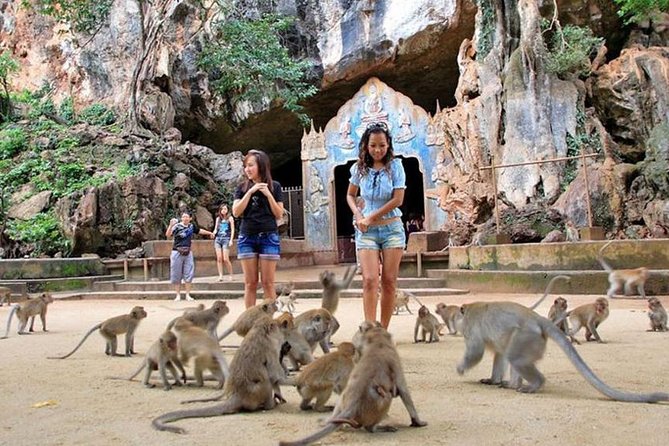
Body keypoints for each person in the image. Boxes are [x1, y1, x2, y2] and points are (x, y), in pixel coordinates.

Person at [346, 122, 406, 329]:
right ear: (366, 146)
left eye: (381, 145)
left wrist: (371, 217)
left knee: (389, 281)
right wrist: (358, 213)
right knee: (370, 279)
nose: (377, 150)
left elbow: (398, 199)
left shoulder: (396, 167)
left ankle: (384, 330)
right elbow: (350, 194)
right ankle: (369, 329)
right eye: (373, 146)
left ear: (388, 144)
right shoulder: (359, 169)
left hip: (392, 229)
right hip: (366, 232)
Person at [232, 149, 284, 308]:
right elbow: (236, 212)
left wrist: (268, 194)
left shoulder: (275, 186)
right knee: (250, 283)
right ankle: (250, 322)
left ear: (260, 166)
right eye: (245, 166)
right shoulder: (241, 188)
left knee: (268, 283)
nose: (247, 169)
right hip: (247, 237)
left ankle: (271, 322)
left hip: (268, 237)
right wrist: (250, 192)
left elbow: (279, 214)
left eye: (250, 165)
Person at [166, 210, 215, 301]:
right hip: (176, 251)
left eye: (187, 217)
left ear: (190, 218)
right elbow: (168, 235)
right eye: (184, 217)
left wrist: (210, 233)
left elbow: (200, 231)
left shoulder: (191, 226)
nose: (185, 218)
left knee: (189, 273)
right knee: (176, 273)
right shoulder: (176, 226)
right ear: (181, 218)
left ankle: (188, 294)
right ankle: (178, 295)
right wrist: (170, 225)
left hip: (188, 252)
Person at [213, 203, 235, 281]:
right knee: (219, 258)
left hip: (226, 239)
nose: (223, 210)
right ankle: (220, 275)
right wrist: (214, 232)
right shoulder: (218, 218)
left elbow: (232, 230)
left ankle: (231, 275)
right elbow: (216, 228)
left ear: (227, 210)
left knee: (226, 258)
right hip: (218, 239)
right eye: (222, 209)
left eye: (225, 209)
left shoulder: (230, 218)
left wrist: (231, 240)